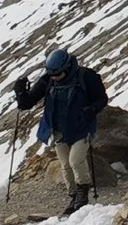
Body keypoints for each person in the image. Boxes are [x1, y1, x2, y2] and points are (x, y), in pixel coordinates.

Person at [13, 47, 107, 215]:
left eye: (58, 74)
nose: (55, 78)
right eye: (52, 75)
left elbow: (101, 99)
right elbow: (27, 103)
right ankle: (73, 196)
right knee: (65, 165)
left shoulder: (86, 76)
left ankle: (82, 194)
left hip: (81, 126)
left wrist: (92, 109)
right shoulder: (48, 80)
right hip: (58, 129)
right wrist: (20, 93)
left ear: (68, 67)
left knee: (75, 160)